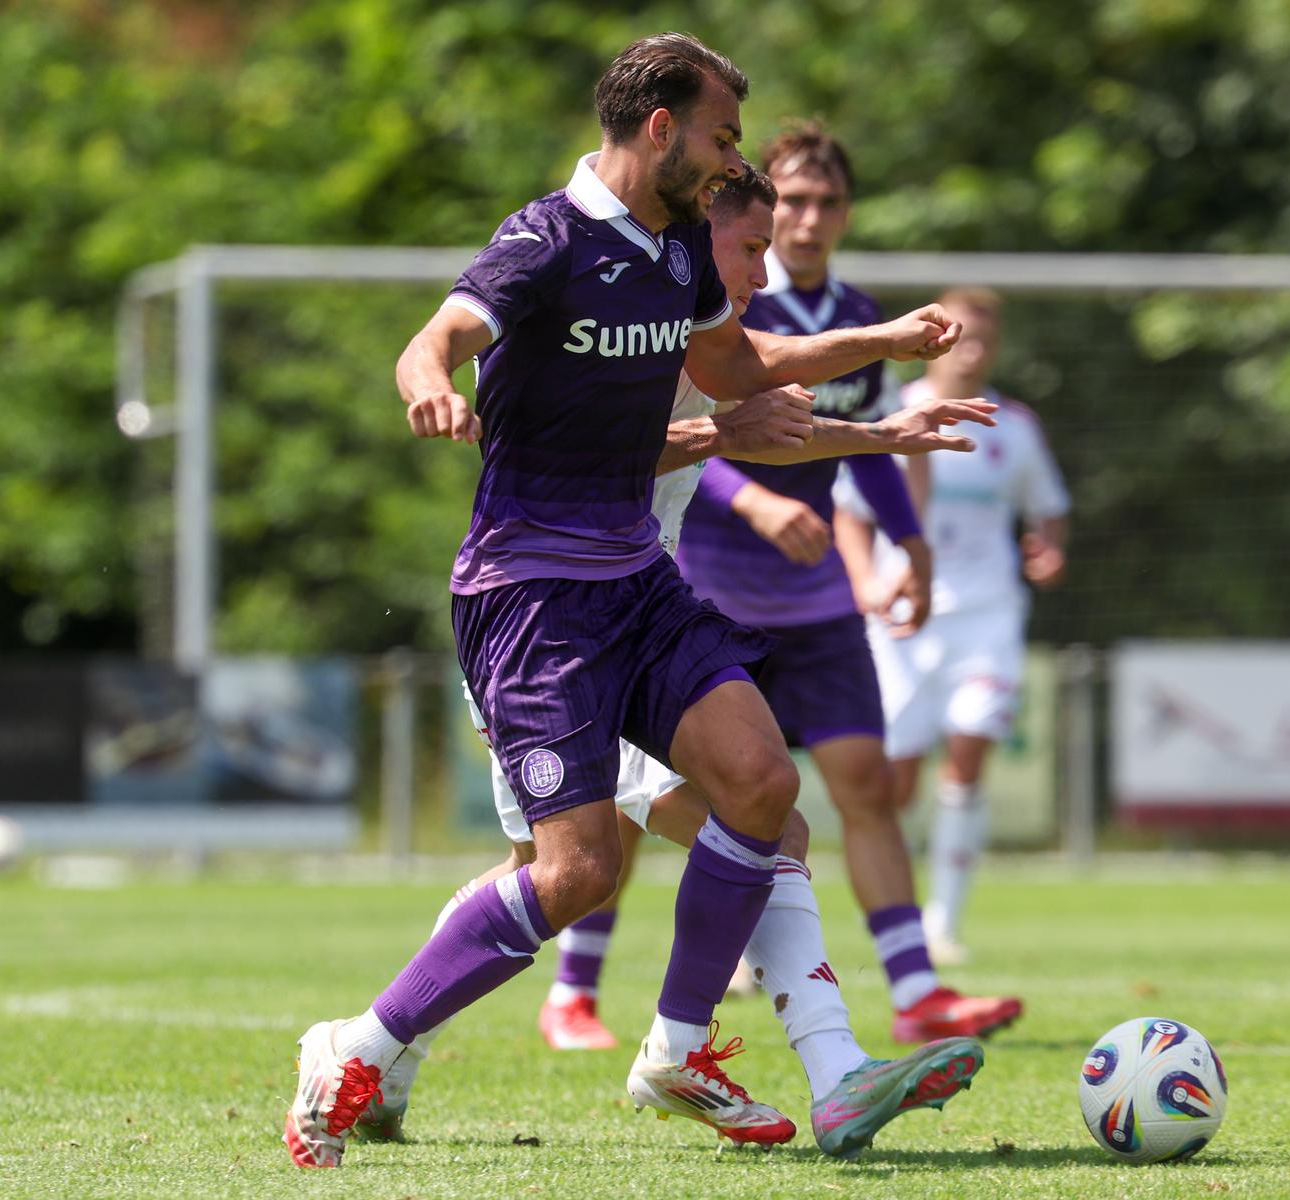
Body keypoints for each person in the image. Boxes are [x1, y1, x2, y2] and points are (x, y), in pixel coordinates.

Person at [287, 33, 967, 1167]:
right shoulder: (544, 240)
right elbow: (437, 340)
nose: (727, 157)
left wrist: (882, 347)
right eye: (721, 135)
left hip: (639, 584)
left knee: (761, 784)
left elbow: (739, 373)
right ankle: (362, 1042)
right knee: (577, 872)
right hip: (533, 599)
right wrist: (429, 391)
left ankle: (681, 1047)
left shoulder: (676, 255)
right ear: (662, 128)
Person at [674, 124, 1021, 1043]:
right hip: (710, 589)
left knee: (865, 780)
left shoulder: (860, 317)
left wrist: (912, 543)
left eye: (828, 202)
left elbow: (867, 453)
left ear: (847, 213)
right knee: (670, 806)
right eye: (792, 200)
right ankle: (588, 993)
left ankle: (915, 992)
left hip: (818, 596)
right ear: (762, 206)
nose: (810, 218)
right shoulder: (719, 305)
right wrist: (754, 504)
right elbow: (667, 439)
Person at [836, 287, 1070, 966]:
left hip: (986, 615)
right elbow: (850, 510)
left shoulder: (1016, 427)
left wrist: (1049, 548)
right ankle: (892, 914)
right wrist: (863, 580)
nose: (971, 351)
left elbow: (1048, 509)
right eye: (959, 337)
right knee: (893, 781)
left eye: (984, 342)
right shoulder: (894, 411)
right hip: (903, 617)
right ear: (935, 340)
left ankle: (943, 924)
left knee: (967, 757)